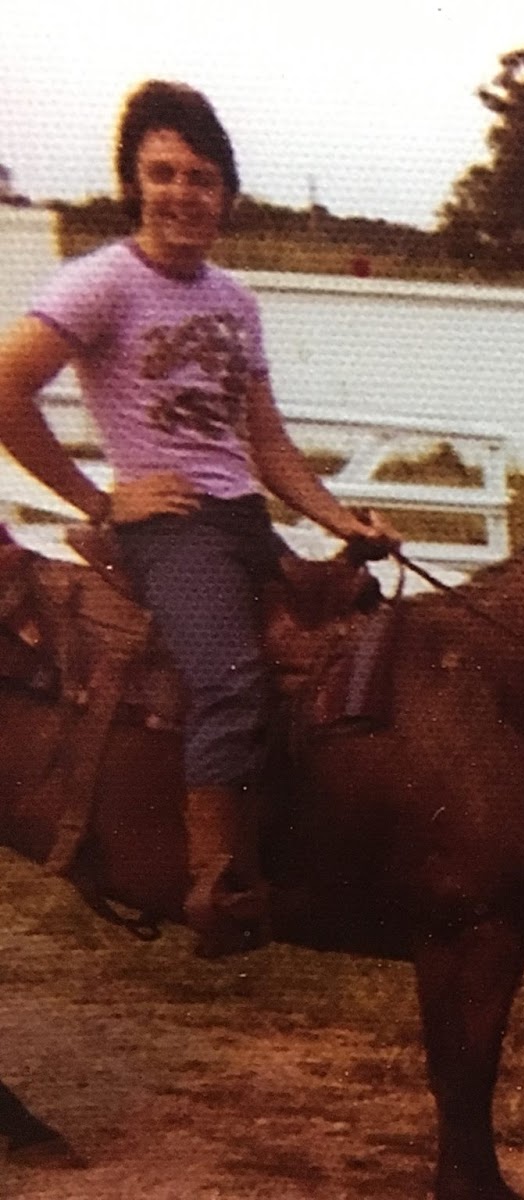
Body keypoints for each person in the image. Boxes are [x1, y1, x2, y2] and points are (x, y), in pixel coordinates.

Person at [0, 81, 398, 957]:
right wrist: (102, 501)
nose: (183, 192)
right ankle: (217, 887)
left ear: (227, 194)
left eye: (202, 176)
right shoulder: (103, 282)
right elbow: (5, 387)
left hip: (242, 521)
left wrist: (343, 521)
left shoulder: (234, 303)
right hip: (168, 529)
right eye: (164, 172)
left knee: (348, 652)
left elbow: (269, 447)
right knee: (229, 680)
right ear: (134, 182)